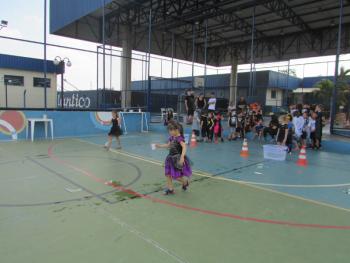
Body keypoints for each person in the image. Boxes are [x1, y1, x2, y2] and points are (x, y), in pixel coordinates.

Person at [155, 121, 192, 195]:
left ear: (177, 130)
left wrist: (182, 157)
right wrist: (159, 146)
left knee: (176, 176)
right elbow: (168, 145)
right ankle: (170, 189)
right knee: (168, 174)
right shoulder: (172, 137)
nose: (170, 132)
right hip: (170, 159)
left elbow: (184, 147)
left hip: (177, 159)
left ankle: (185, 182)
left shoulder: (179, 138)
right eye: (169, 130)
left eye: (171, 130)